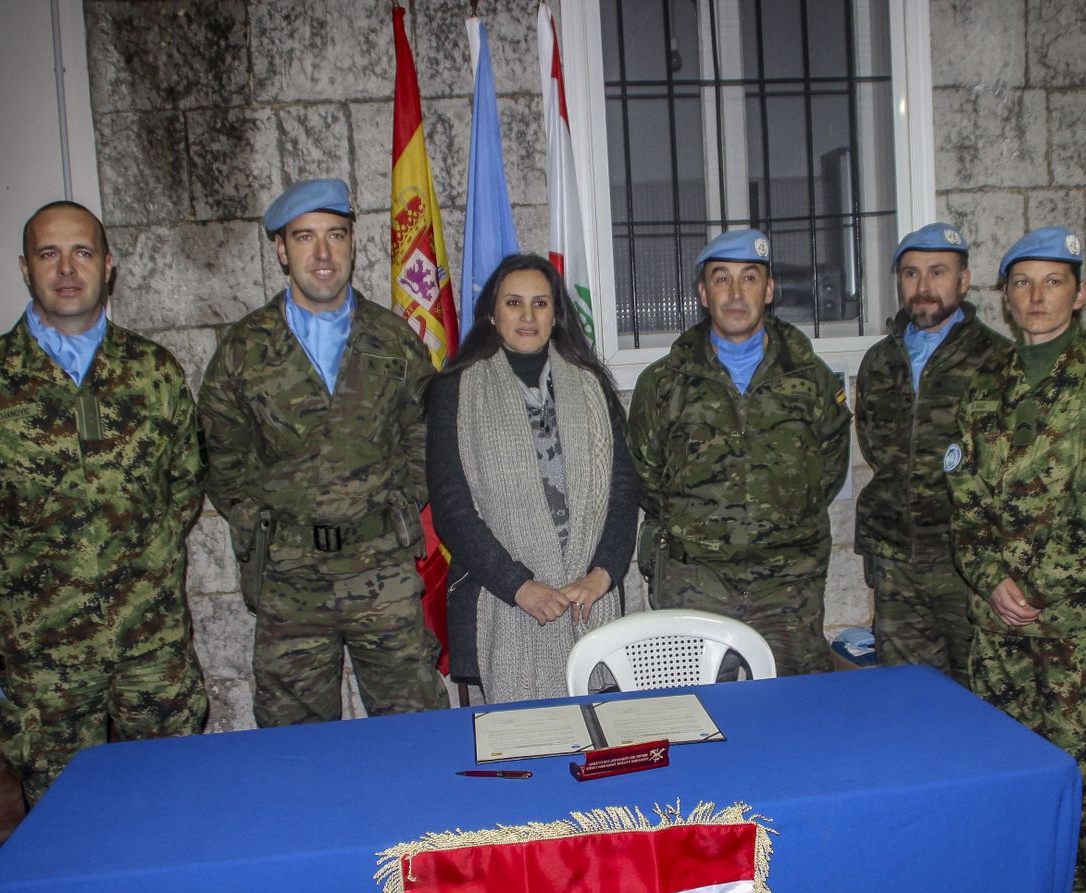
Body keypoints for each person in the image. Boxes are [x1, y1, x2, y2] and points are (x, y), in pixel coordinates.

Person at [0, 200, 208, 805]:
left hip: (151, 642)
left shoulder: (152, 371)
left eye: (82, 252)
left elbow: (185, 480)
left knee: (174, 798)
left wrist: (143, 557)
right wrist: (19, 572)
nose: (67, 269)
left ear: (108, 265)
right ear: (26, 268)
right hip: (46, 654)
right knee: (62, 814)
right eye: (49, 254)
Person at [946, 226, 1086, 893]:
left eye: (1053, 282)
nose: (1037, 297)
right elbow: (965, 504)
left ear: (1080, 293)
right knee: (1008, 768)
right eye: (1023, 283)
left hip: (1079, 627)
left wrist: (1032, 586)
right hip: (1000, 627)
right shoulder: (986, 389)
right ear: (1006, 299)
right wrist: (993, 581)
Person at [197, 178, 446, 726]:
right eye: (304, 237)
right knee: (296, 743)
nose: (323, 253)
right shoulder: (244, 350)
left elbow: (424, 433)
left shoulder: (392, 338)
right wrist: (264, 522)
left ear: (353, 242)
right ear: (281, 249)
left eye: (335, 234)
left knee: (415, 728)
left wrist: (399, 502)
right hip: (290, 579)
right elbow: (221, 456)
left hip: (380, 567)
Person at [627, 228, 851, 675]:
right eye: (721, 279)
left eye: (749, 278)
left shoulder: (812, 379)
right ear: (703, 293)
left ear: (769, 290)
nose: (735, 293)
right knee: (699, 708)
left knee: (794, 705)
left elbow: (829, 469)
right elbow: (647, 477)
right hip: (696, 582)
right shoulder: (664, 382)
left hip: (787, 584)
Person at [425, 254, 638, 702]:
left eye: (540, 303)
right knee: (522, 738)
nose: (527, 316)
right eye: (513, 303)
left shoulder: (592, 386)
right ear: (492, 313)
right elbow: (452, 509)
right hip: (503, 604)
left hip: (591, 600)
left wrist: (602, 574)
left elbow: (622, 492)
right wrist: (519, 587)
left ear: (556, 314)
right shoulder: (455, 393)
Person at [855, 222, 1012, 679]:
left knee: (980, 690)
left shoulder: (999, 360)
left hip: (968, 563)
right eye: (911, 274)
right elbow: (874, 445)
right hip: (896, 561)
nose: (923, 286)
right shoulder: (879, 361)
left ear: (963, 281)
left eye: (938, 272)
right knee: (905, 695)